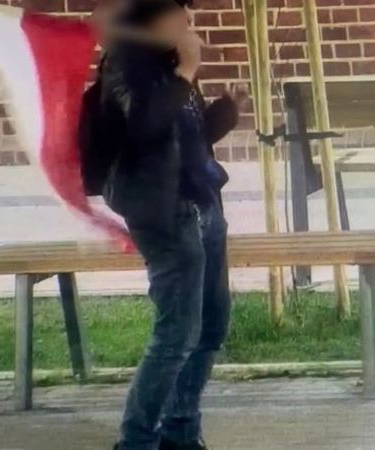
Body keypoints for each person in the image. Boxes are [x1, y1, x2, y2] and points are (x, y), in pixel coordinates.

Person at [97, 1, 244, 448]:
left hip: (203, 205)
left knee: (211, 326)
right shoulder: (124, 65)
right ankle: (137, 439)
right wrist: (187, 72)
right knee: (177, 335)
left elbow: (185, 138)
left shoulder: (170, 62)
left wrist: (223, 114)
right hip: (165, 213)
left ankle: (181, 432)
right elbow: (145, 128)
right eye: (178, 12)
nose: (188, 21)